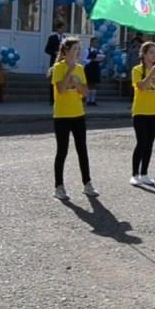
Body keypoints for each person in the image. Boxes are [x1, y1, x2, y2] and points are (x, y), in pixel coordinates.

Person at [51, 37, 98, 199]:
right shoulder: (58, 67)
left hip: (78, 114)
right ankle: (59, 187)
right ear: (66, 51)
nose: (77, 52)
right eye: (74, 49)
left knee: (82, 150)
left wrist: (77, 83)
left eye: (79, 49)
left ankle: (87, 183)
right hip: (62, 115)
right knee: (62, 151)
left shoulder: (80, 68)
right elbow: (61, 89)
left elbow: (84, 92)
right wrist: (69, 72)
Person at [130, 41, 155, 187]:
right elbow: (141, 87)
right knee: (141, 142)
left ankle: (144, 173)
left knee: (150, 143)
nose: (154, 55)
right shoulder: (137, 70)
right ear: (143, 54)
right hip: (140, 111)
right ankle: (134, 174)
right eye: (151, 52)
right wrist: (150, 74)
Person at [44, 18, 65, 104]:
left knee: (63, 80)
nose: (62, 30)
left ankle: (61, 98)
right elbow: (47, 50)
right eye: (61, 28)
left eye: (63, 28)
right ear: (57, 29)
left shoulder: (65, 39)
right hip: (54, 62)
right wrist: (54, 52)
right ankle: (52, 99)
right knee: (54, 80)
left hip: (63, 62)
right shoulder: (52, 38)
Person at [81, 38, 105, 106]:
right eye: (94, 42)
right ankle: (88, 100)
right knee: (88, 84)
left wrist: (101, 60)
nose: (96, 44)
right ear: (91, 43)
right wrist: (91, 60)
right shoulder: (87, 50)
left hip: (96, 68)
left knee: (94, 85)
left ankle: (93, 100)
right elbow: (83, 60)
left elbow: (101, 59)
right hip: (89, 68)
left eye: (97, 42)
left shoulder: (99, 51)